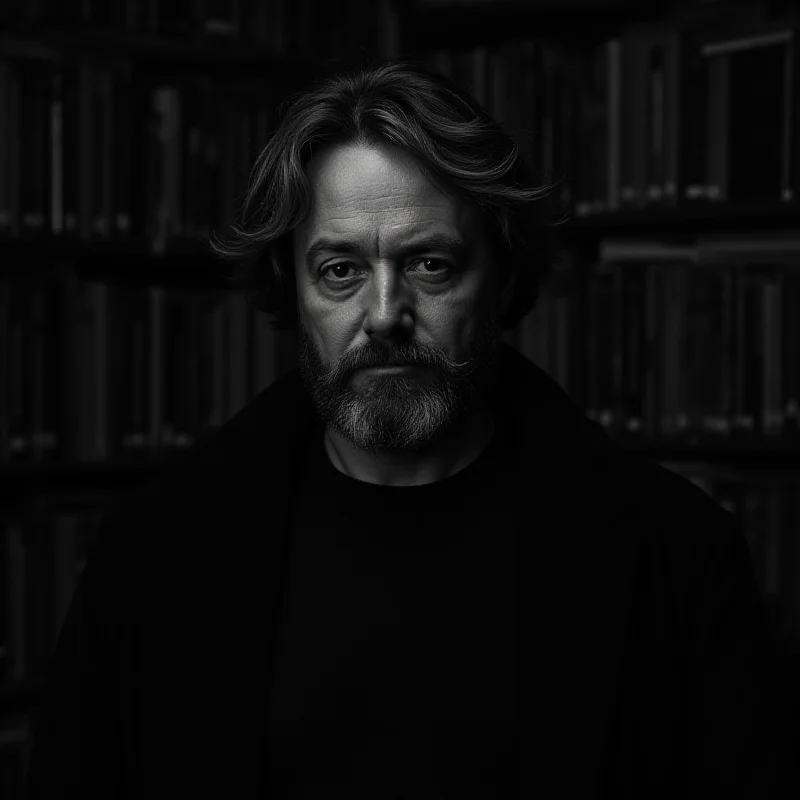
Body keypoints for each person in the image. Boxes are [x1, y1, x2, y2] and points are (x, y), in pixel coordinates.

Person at [24, 59, 792, 799]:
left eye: (429, 265)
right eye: (340, 271)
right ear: (289, 288)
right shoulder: (156, 553)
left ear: (504, 278)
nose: (384, 314)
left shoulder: (677, 556)